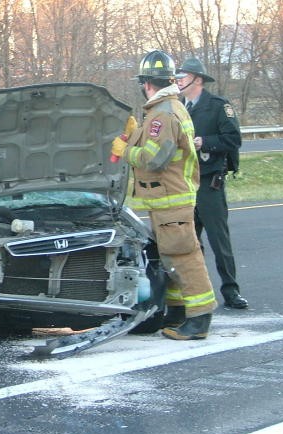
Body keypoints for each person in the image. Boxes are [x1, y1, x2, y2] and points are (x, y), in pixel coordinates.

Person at [111, 50, 217, 340]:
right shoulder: (164, 110)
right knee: (171, 256)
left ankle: (199, 319)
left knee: (184, 257)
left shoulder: (163, 114)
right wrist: (134, 134)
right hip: (166, 201)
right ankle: (178, 311)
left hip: (173, 200)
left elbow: (155, 158)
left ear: (146, 84)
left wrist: (126, 151)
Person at [176, 58, 248, 309]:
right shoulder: (178, 107)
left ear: (197, 79)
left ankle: (231, 291)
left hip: (209, 183)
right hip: (185, 185)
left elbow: (233, 139)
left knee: (219, 241)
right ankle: (193, 292)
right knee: (188, 243)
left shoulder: (218, 106)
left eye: (182, 78)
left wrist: (204, 142)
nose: (178, 82)